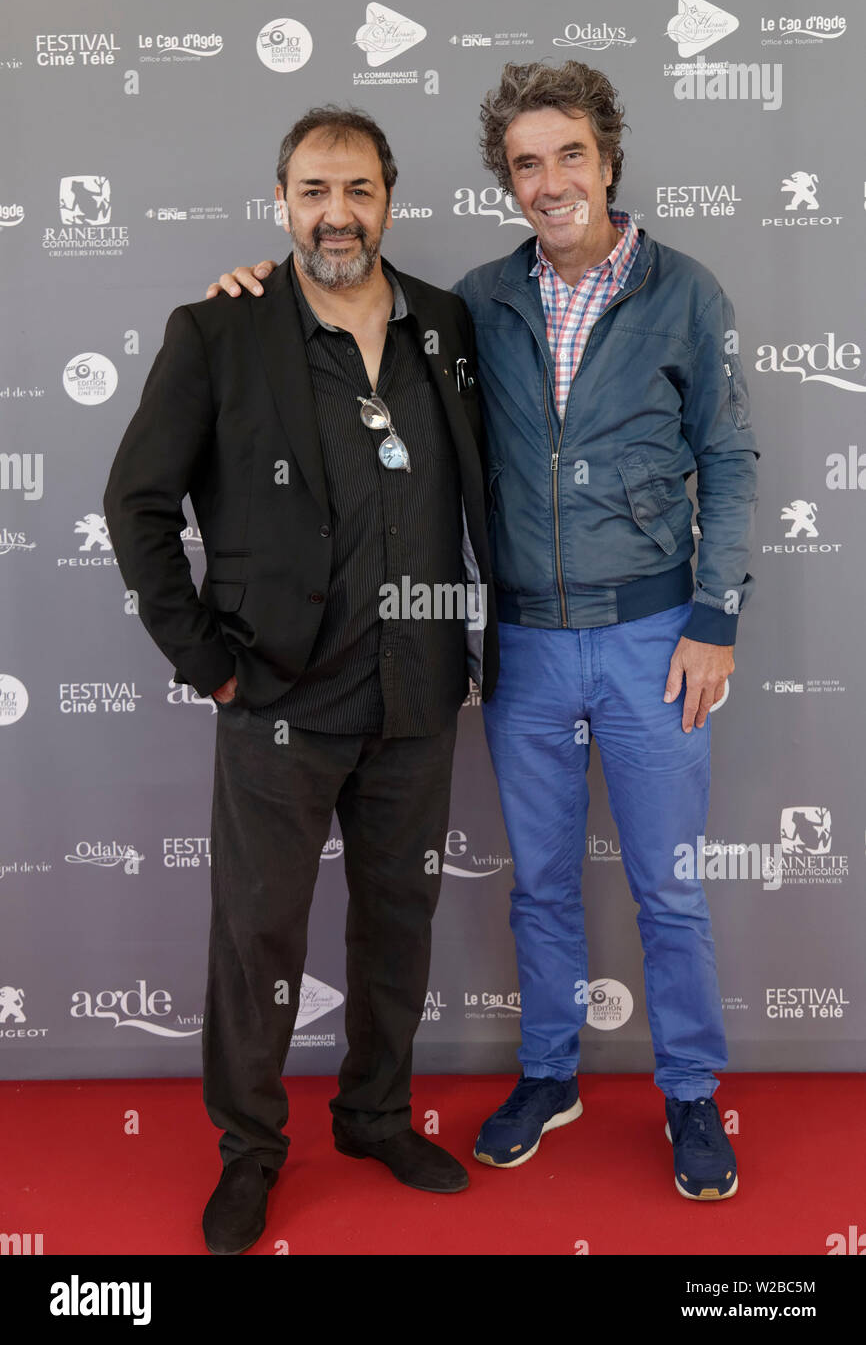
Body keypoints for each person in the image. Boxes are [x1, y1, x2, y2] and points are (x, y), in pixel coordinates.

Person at [209, 61, 759, 1203]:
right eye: (524, 163)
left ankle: (690, 1095)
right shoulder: (467, 308)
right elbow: (335, 310)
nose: (549, 181)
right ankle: (548, 1074)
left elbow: (731, 459)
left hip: (657, 638)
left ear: (608, 158)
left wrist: (714, 617)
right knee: (542, 887)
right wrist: (254, 296)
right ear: (503, 180)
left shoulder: (684, 291)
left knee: (667, 886)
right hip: (523, 650)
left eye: (569, 155)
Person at [104, 105, 498, 1255]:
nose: (338, 214)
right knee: (259, 937)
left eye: (359, 190)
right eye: (315, 190)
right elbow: (134, 505)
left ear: (389, 197)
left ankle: (376, 1114)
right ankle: (252, 1150)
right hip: (276, 697)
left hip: (419, 689)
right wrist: (209, 665)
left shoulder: (444, 324)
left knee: (398, 922)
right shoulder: (218, 331)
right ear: (282, 199)